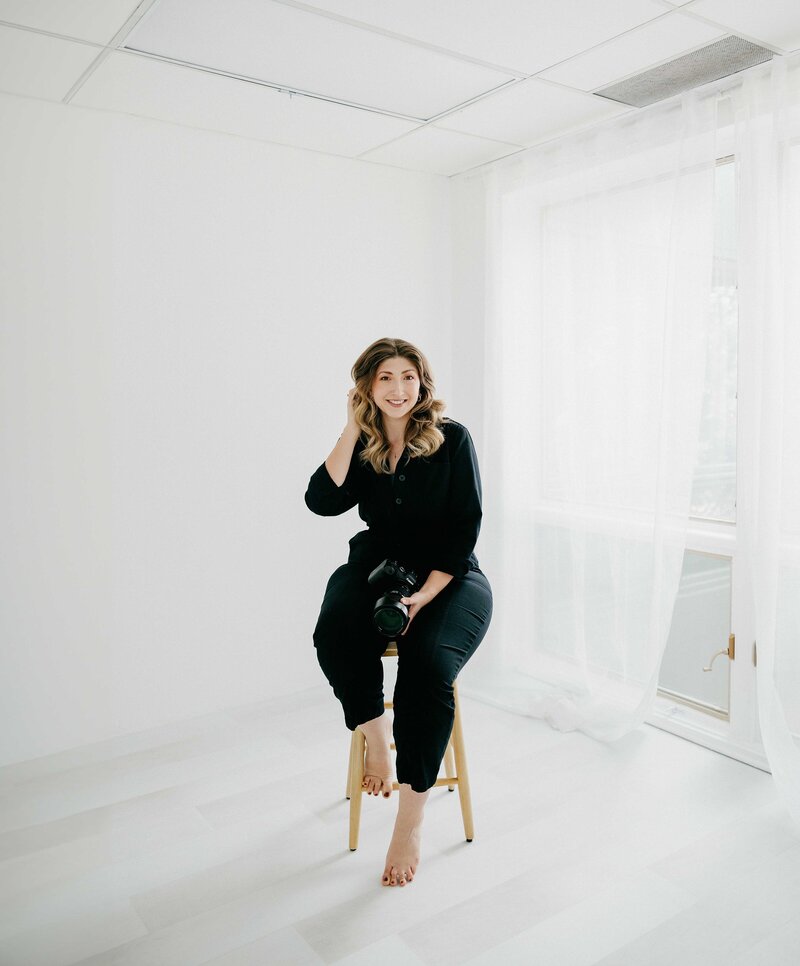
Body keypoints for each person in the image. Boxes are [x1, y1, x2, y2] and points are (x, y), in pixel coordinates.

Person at [304, 337, 493, 888]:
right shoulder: (362, 446)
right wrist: (350, 425)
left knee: (427, 669)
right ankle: (376, 739)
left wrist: (425, 597)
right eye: (384, 378)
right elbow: (321, 500)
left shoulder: (452, 439)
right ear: (366, 386)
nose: (398, 389)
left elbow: (464, 529)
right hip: (379, 567)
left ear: (422, 382)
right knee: (335, 631)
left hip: (448, 576)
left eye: (408, 376)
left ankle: (410, 822)